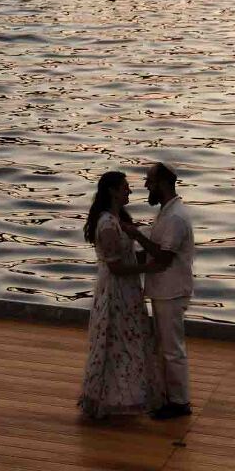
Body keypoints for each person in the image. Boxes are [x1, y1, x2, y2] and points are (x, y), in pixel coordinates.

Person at [78, 170, 165, 420]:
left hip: (126, 289)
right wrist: (147, 268)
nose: (129, 190)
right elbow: (116, 266)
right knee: (115, 341)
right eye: (125, 187)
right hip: (116, 291)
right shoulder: (107, 224)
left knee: (126, 341)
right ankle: (112, 397)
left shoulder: (117, 220)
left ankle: (124, 395)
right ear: (113, 191)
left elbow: (124, 257)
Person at [123, 162, 194, 419]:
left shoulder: (175, 217)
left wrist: (135, 235)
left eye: (150, 181)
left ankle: (179, 402)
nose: (146, 186)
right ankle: (169, 397)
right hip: (165, 290)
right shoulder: (168, 212)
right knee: (165, 346)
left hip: (171, 291)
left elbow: (163, 258)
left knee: (172, 348)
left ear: (162, 184)